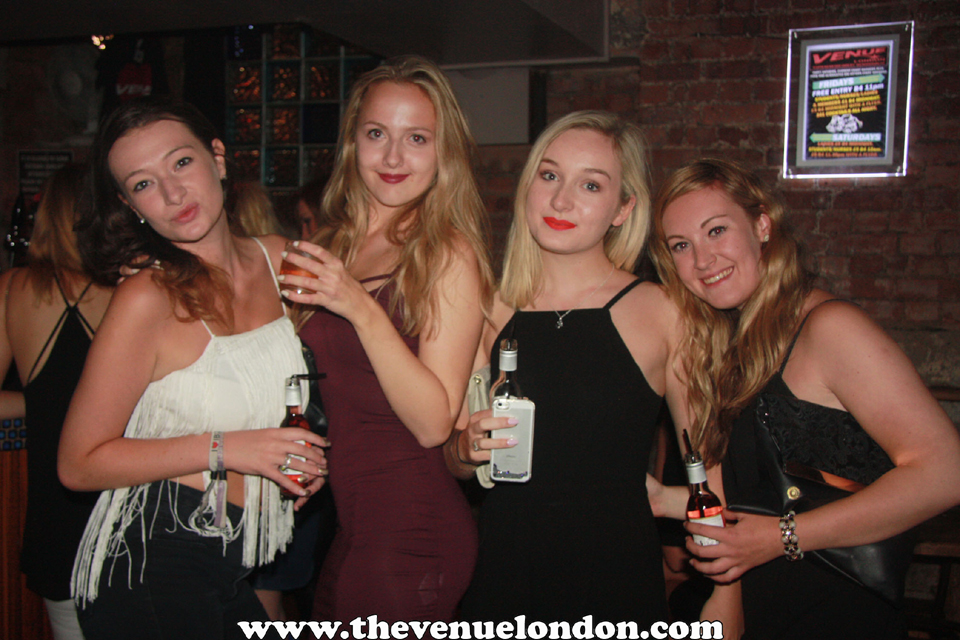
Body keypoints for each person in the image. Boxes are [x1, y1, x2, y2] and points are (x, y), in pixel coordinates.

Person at [650, 158, 960, 639]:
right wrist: (661, 499)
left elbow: (946, 473)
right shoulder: (728, 340)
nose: (703, 260)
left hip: (837, 615)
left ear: (762, 225)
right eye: (681, 245)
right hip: (766, 609)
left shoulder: (830, 328)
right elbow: (759, 493)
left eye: (717, 231)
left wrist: (782, 537)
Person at [57, 98, 328, 639]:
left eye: (181, 162)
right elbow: (78, 463)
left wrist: (297, 454)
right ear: (130, 205)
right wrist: (230, 448)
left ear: (218, 158)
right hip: (154, 562)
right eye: (143, 184)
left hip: (234, 557)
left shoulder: (282, 261)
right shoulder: (146, 297)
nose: (172, 193)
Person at [446, 111, 688, 625]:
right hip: (507, 576)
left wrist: (728, 594)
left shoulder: (661, 311)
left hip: (614, 582)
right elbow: (453, 458)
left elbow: (710, 469)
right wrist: (464, 449)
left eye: (591, 185)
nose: (560, 200)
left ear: (623, 209)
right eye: (550, 175)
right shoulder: (490, 308)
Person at [280, 55, 494, 622]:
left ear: (443, 153)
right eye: (377, 134)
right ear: (353, 143)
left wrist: (358, 305)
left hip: (413, 528)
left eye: (416, 138)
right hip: (351, 523)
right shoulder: (332, 244)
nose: (393, 157)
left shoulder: (446, 252)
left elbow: (433, 423)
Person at [0, 164, 112, 640]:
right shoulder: (132, 290)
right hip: (124, 516)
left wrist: (44, 402)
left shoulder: (12, 288)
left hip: (54, 520)